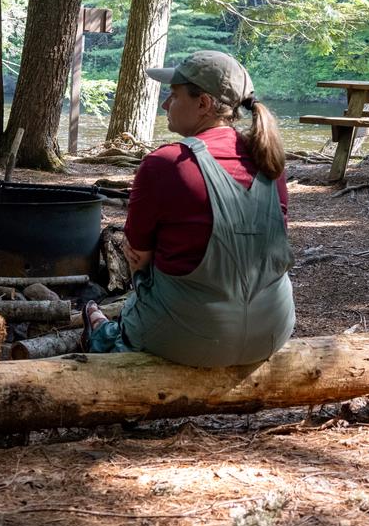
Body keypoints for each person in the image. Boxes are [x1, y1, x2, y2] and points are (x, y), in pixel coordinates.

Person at [83, 50, 294, 366]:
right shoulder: (269, 161)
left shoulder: (167, 164)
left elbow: (137, 253)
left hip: (190, 338)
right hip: (273, 331)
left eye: (174, 94)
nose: (166, 104)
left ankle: (101, 331)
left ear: (204, 104)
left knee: (117, 328)